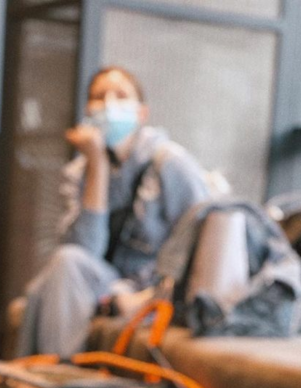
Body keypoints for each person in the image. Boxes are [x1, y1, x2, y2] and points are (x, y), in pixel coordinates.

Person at [17, 66, 211, 357]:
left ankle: (53, 383)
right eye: (99, 96)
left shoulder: (171, 164)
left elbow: (202, 238)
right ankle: (50, 381)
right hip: (106, 284)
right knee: (61, 265)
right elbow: (85, 252)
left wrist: (149, 293)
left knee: (51, 280)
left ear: (142, 113)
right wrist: (96, 164)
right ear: (86, 109)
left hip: (151, 289)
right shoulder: (79, 172)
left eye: (121, 96)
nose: (109, 104)